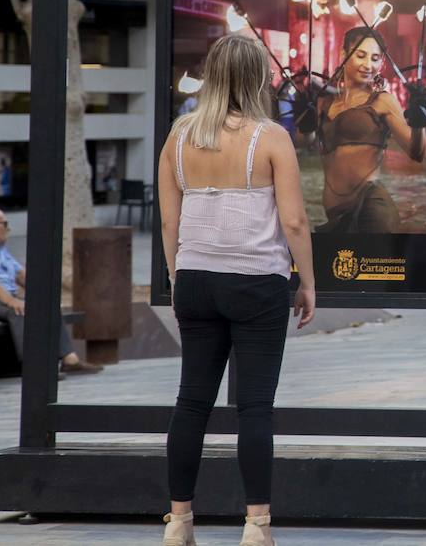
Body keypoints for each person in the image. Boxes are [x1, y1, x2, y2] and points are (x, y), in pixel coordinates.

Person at [156, 33, 317, 546]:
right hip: (257, 282)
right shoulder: (270, 137)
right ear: (258, 80)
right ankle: (256, 525)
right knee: (254, 407)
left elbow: (169, 222)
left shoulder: (178, 136)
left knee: (191, 402)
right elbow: (294, 220)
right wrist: (308, 281)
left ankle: (179, 521)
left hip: (195, 279)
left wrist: (176, 277)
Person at [0, 209, 101, 377]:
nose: (8, 229)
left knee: (47, 305)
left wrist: (44, 295)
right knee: (19, 310)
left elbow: (20, 274)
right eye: (5, 224)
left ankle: (70, 360)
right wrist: (10, 300)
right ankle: (34, 367)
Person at [314, 26, 426, 233]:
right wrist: (305, 121)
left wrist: (420, 123)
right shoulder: (324, 102)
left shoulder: (383, 101)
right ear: (344, 54)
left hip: (372, 211)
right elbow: (304, 141)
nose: (368, 65)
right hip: (335, 215)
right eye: (361, 55)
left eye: (375, 58)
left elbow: (417, 153)